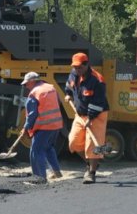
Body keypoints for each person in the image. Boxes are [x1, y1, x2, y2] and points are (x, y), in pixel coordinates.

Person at [64, 53, 109, 184]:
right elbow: (69, 85)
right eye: (75, 67)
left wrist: (90, 117)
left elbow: (98, 102)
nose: (77, 70)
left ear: (86, 64)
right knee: (73, 142)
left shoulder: (97, 80)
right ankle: (91, 163)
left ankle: (91, 173)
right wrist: (68, 94)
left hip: (97, 114)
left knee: (91, 146)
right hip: (80, 114)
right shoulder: (73, 74)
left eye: (79, 67)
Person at [21, 71, 63, 184]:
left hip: (44, 126)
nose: (26, 87)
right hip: (56, 125)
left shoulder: (34, 93)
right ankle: (56, 171)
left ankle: (39, 177)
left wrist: (25, 128)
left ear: (32, 82)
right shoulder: (51, 88)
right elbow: (58, 102)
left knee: (36, 151)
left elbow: (32, 114)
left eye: (26, 84)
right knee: (49, 147)